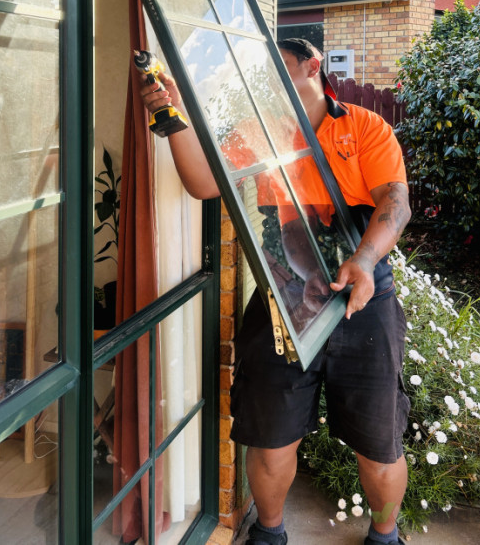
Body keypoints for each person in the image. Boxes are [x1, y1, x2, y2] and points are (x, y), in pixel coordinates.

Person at [139, 38, 412, 545]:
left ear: (312, 66)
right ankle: (268, 534)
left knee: (380, 446)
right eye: (261, 74)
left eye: (278, 69)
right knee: (269, 438)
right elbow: (203, 182)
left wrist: (365, 259)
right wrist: (174, 119)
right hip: (282, 302)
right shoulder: (256, 134)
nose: (267, 82)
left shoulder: (365, 127)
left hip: (362, 301)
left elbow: (395, 202)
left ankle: (385, 535)